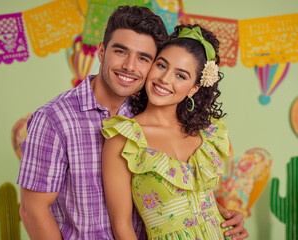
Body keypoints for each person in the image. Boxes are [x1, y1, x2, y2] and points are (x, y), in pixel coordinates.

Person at [17, 5, 247, 240]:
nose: (129, 66)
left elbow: (170, 192)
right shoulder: (55, 118)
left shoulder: (143, 109)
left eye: (144, 58)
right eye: (120, 51)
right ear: (101, 51)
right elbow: (32, 210)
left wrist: (222, 213)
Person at [101, 24, 249, 240]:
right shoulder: (125, 138)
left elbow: (199, 198)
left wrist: (227, 214)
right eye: (161, 65)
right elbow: (121, 225)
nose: (165, 79)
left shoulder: (208, 134)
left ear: (193, 89)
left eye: (181, 75)